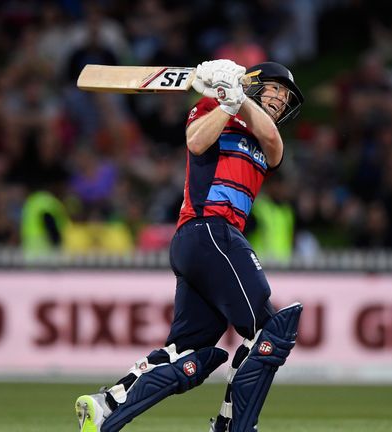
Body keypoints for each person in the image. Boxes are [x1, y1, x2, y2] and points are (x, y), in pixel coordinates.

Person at [74, 59, 305, 432]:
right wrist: (226, 102)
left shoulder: (267, 137)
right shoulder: (213, 107)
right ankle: (234, 428)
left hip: (201, 244)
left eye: (286, 95)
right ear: (256, 84)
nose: (281, 98)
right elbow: (196, 141)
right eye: (276, 88)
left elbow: (274, 144)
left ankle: (106, 406)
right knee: (271, 329)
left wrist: (237, 98)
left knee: (188, 351)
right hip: (210, 230)